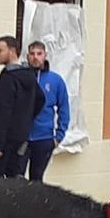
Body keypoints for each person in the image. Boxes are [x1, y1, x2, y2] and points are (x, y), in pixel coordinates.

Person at [0, 35, 44, 178]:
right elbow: (40, 99)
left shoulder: (7, 79)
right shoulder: (29, 75)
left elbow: (3, 111)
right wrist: (25, 120)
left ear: (12, 51)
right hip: (22, 138)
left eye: (0, 51)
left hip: (5, 140)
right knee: (16, 179)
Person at [25, 41, 70, 182]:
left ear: (45, 56)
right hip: (22, 138)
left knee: (36, 179)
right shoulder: (22, 78)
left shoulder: (55, 80)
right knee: (16, 178)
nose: (35, 57)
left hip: (43, 138)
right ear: (27, 57)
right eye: (32, 54)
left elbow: (64, 108)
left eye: (39, 54)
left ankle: (37, 205)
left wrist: (59, 136)